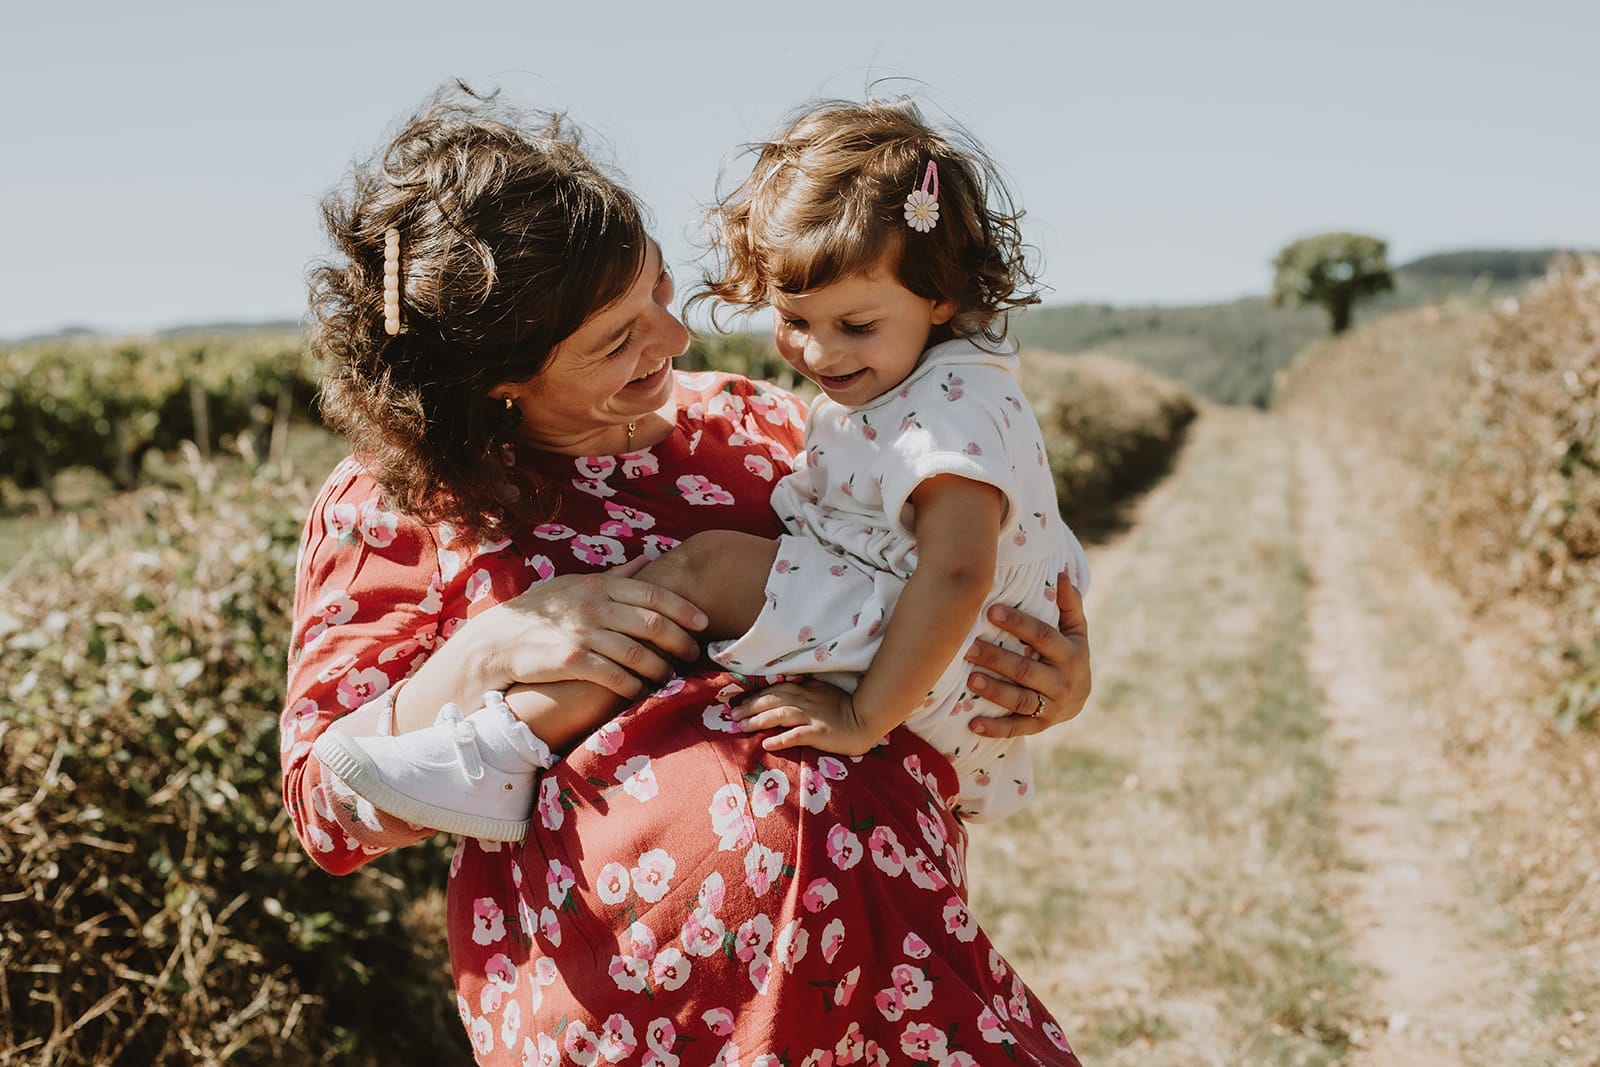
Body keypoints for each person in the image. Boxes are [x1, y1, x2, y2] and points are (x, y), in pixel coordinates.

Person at [284, 85, 1088, 1065]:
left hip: (880, 981)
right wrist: (486, 649)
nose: (672, 341)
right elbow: (327, 811)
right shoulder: (397, 505)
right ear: (498, 375)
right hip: (630, 1023)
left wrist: (1045, 678)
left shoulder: (764, 424)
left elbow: (935, 584)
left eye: (659, 293)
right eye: (616, 339)